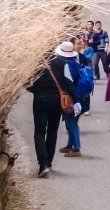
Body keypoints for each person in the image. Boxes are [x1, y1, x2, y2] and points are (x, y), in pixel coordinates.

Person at [26, 43, 78, 177]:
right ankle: (49, 162)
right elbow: (69, 82)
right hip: (57, 100)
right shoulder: (62, 62)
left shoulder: (35, 64)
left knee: (39, 132)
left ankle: (43, 164)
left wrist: (36, 90)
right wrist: (77, 100)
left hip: (40, 99)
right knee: (52, 131)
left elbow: (27, 83)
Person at [61, 36, 88, 156]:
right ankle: (70, 145)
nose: (81, 45)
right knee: (71, 122)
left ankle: (76, 148)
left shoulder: (69, 64)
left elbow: (69, 82)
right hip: (80, 95)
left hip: (73, 96)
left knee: (71, 122)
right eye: (78, 43)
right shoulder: (76, 63)